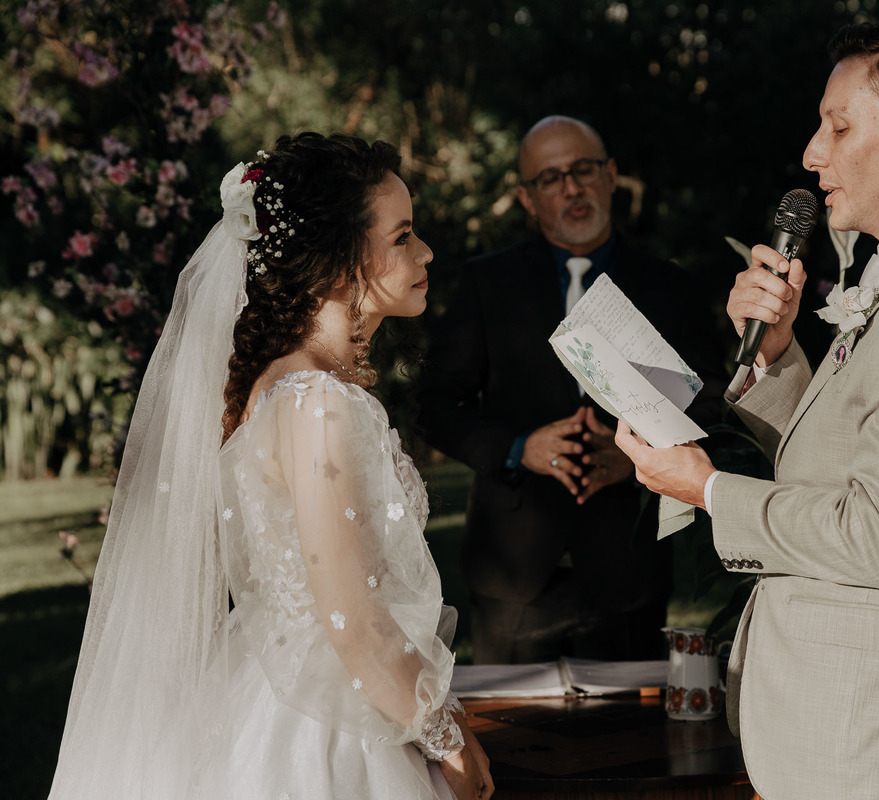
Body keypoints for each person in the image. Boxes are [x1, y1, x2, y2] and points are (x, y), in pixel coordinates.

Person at [615, 19, 879, 800]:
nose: (812, 154)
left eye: (838, 127)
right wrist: (774, 357)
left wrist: (708, 491)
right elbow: (840, 463)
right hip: (839, 732)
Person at [48, 133, 492, 800]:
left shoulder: (282, 385)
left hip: (285, 696)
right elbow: (353, 624)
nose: (425, 251)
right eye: (402, 237)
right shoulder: (317, 403)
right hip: (326, 735)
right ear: (337, 264)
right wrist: (450, 743)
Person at [416, 116, 726, 664]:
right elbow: (435, 404)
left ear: (610, 175)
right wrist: (519, 448)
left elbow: (711, 405)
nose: (571, 188)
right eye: (550, 178)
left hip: (629, 569)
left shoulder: (671, 287)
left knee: (630, 722)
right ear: (527, 197)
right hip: (513, 572)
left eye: (583, 169)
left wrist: (638, 458)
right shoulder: (487, 283)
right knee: (513, 721)